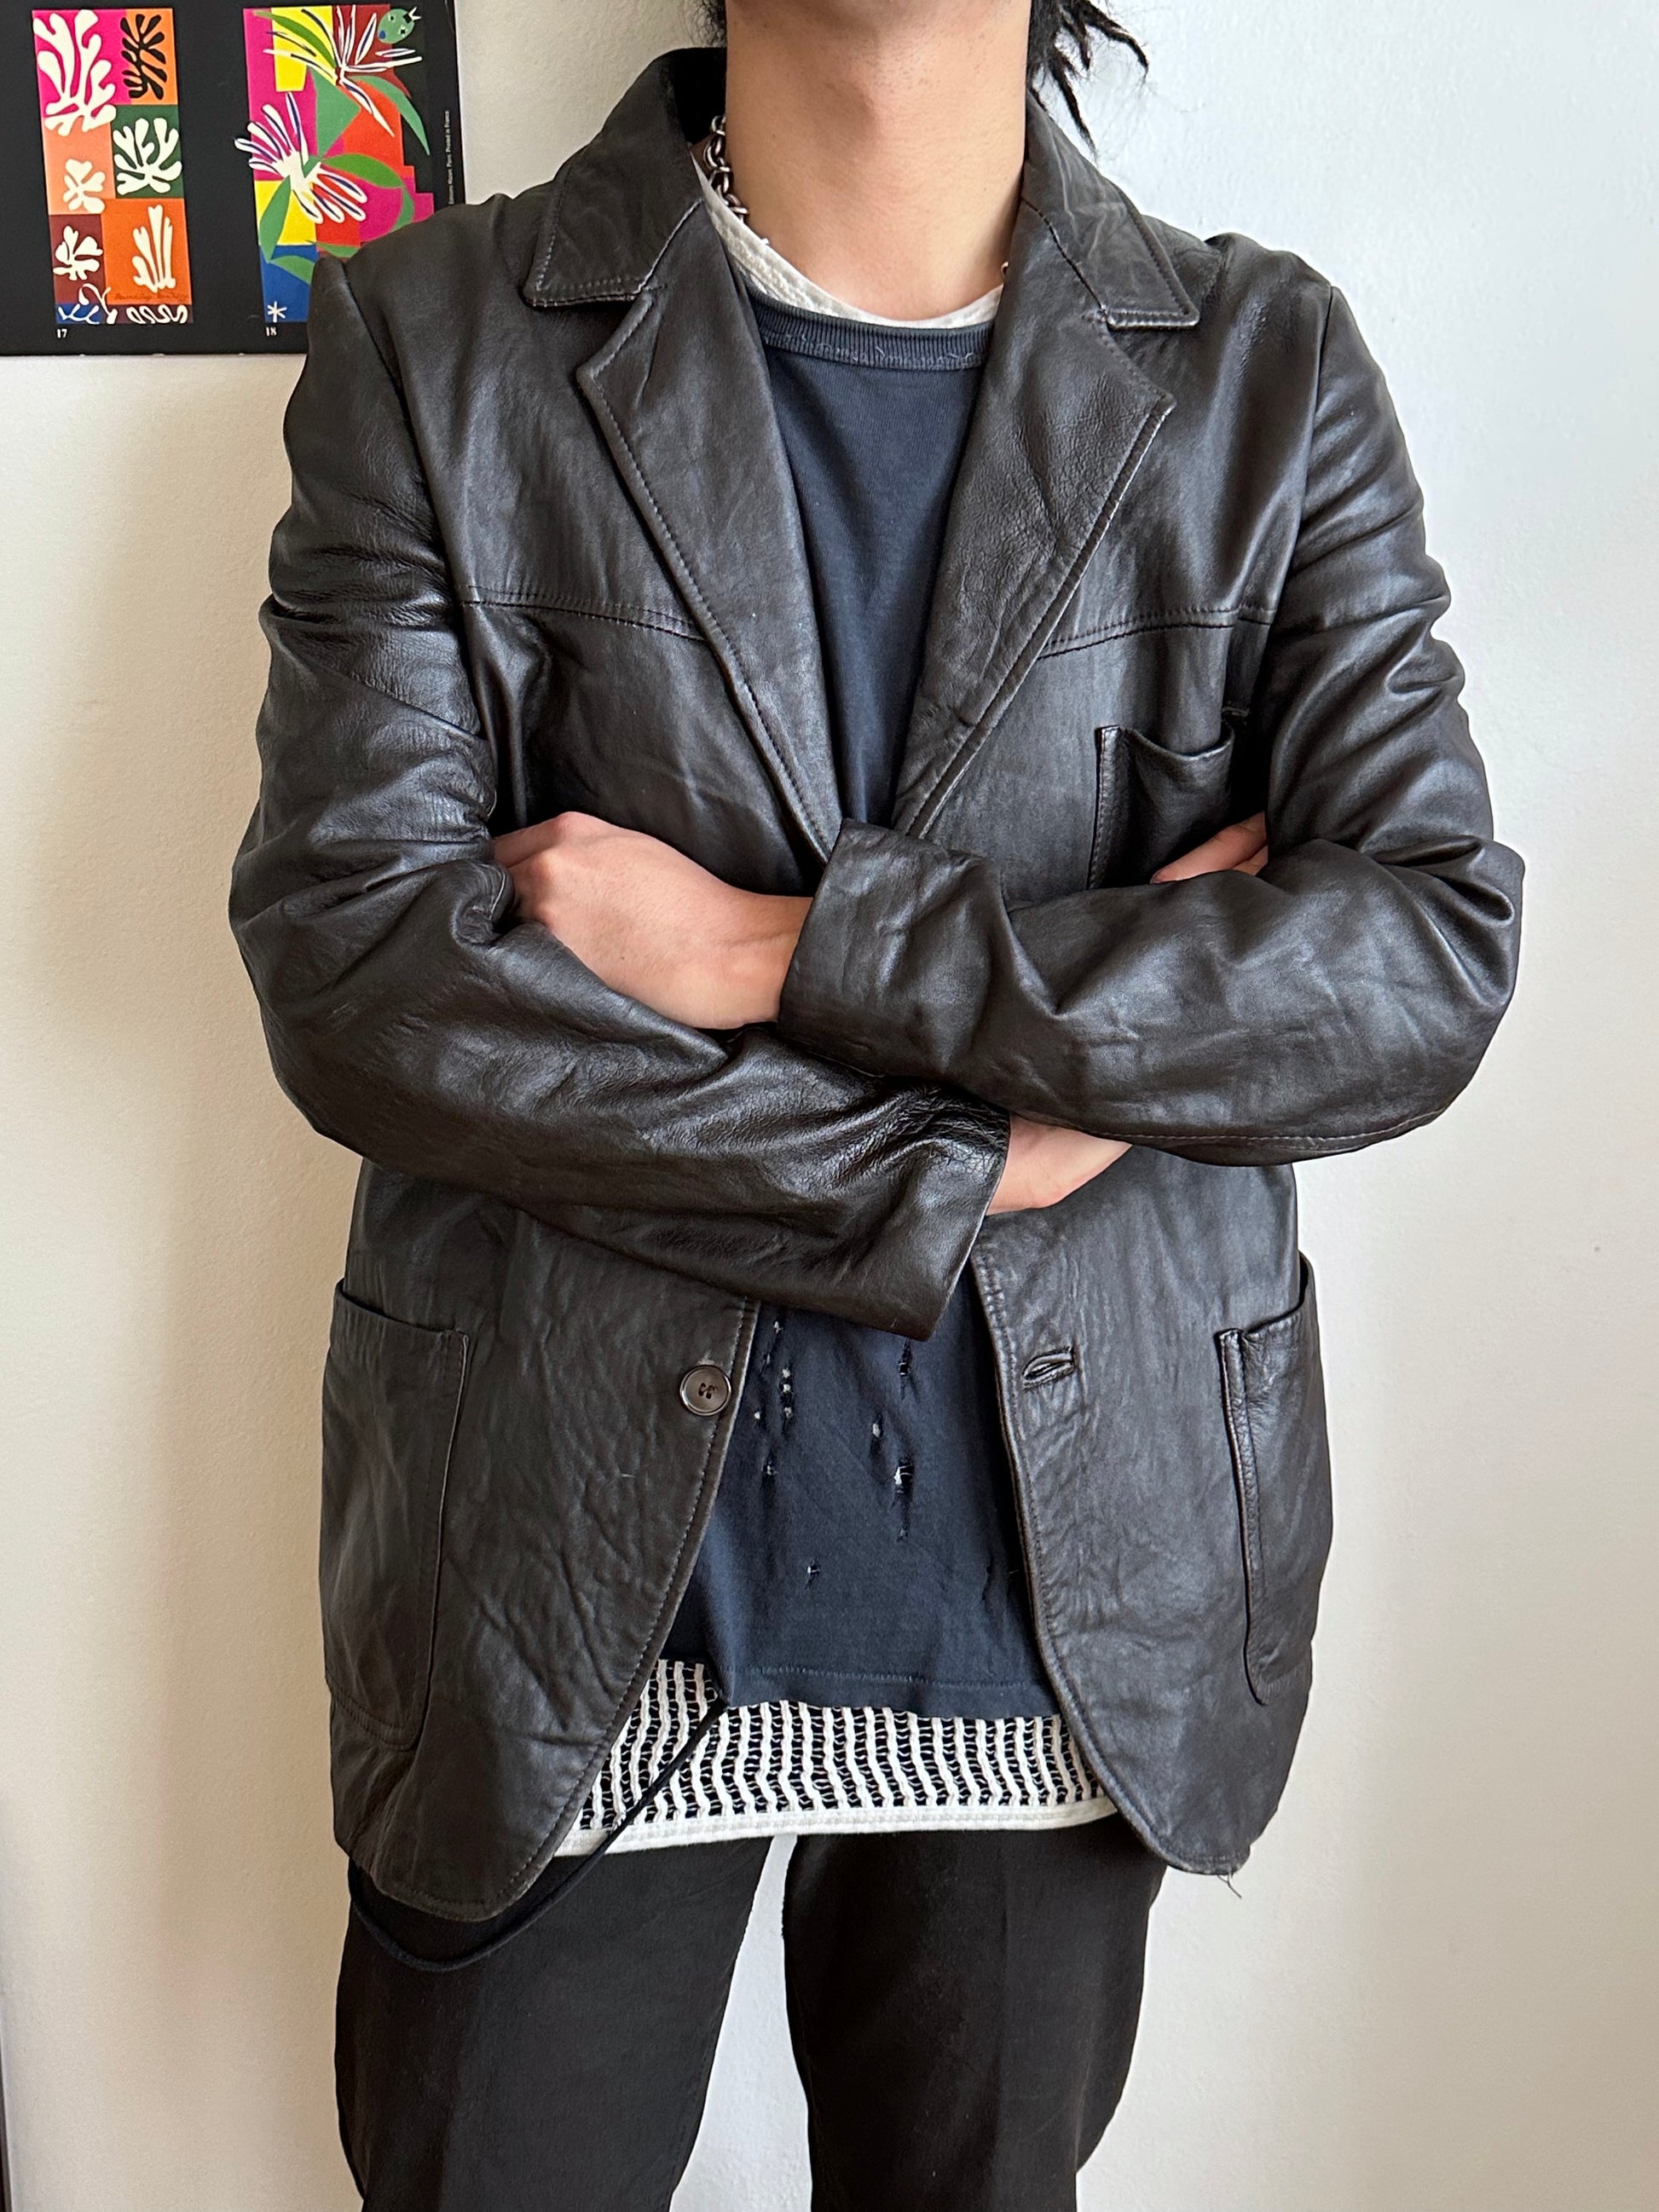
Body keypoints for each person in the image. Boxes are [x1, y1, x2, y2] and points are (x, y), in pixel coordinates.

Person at [229, 1, 1523, 2203]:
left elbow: (1414, 956)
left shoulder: (1261, 372)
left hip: (1068, 1601)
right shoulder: (435, 338)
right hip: (551, 1597)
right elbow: (364, 974)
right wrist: (960, 1157)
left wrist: (783, 948)